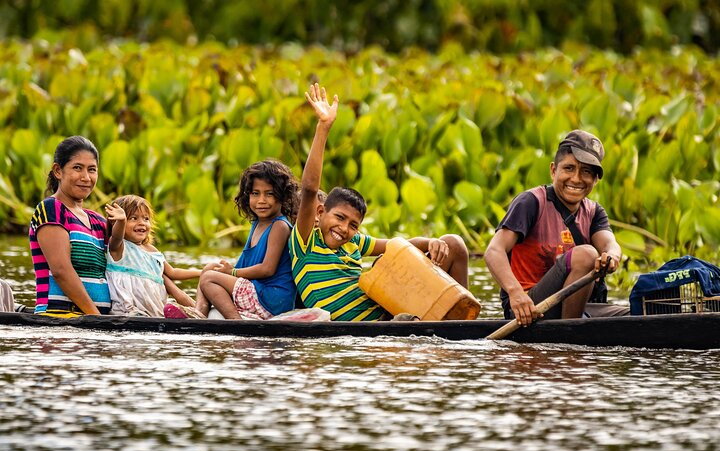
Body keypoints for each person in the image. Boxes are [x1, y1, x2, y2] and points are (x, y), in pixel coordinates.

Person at [290, 83, 470, 321]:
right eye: (340, 218)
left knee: (453, 243)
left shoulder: (354, 241)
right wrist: (323, 128)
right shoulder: (304, 243)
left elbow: (400, 246)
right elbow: (310, 188)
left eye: (353, 224)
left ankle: (463, 320)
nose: (344, 229)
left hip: (389, 314)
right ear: (321, 212)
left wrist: (431, 242)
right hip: (373, 329)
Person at [484, 129, 629, 325]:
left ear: (595, 180)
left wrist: (612, 256)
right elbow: (494, 251)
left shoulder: (594, 212)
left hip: (577, 304)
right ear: (554, 170)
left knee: (636, 313)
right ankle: (569, 338)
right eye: (569, 168)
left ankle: (576, 325)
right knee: (586, 254)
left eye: (586, 172)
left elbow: (610, 244)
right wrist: (515, 293)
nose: (576, 179)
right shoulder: (531, 202)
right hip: (529, 307)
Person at [167, 160, 300, 320]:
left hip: (271, 298)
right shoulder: (257, 224)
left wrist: (231, 272)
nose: (261, 200)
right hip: (257, 291)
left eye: (269, 194)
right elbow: (245, 267)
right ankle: (200, 314)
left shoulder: (280, 226)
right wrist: (226, 271)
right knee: (209, 269)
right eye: (255, 193)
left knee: (209, 278)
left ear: (282, 196)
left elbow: (267, 269)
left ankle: (235, 322)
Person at [29, 136, 111, 317]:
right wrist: (96, 318)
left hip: (95, 326)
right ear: (58, 171)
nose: (86, 177)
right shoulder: (51, 209)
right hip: (58, 319)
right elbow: (60, 270)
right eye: (77, 168)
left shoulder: (98, 220)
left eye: (92, 170)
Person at [104, 195, 205, 317]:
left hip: (154, 310)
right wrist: (121, 221)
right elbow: (117, 236)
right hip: (128, 310)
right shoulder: (119, 247)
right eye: (133, 218)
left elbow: (172, 272)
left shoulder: (152, 250)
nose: (141, 223)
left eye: (146, 219)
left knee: (172, 309)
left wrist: (201, 272)